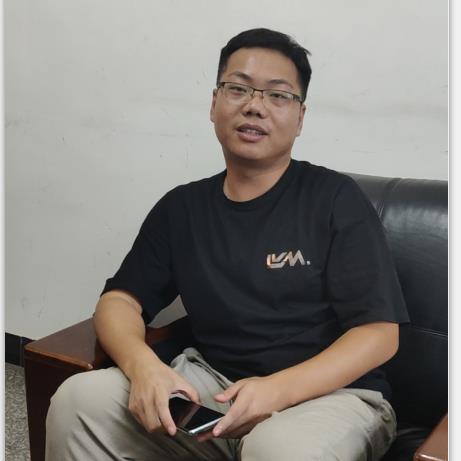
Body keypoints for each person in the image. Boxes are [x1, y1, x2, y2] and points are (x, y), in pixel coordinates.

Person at [45, 28, 409, 461]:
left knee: (278, 450)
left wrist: (278, 391)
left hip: (328, 398)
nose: (254, 105)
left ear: (300, 117)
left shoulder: (334, 199)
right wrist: (143, 366)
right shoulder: (182, 208)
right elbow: (120, 300)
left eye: (278, 95)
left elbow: (379, 334)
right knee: (79, 400)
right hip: (212, 392)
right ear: (214, 103)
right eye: (238, 88)